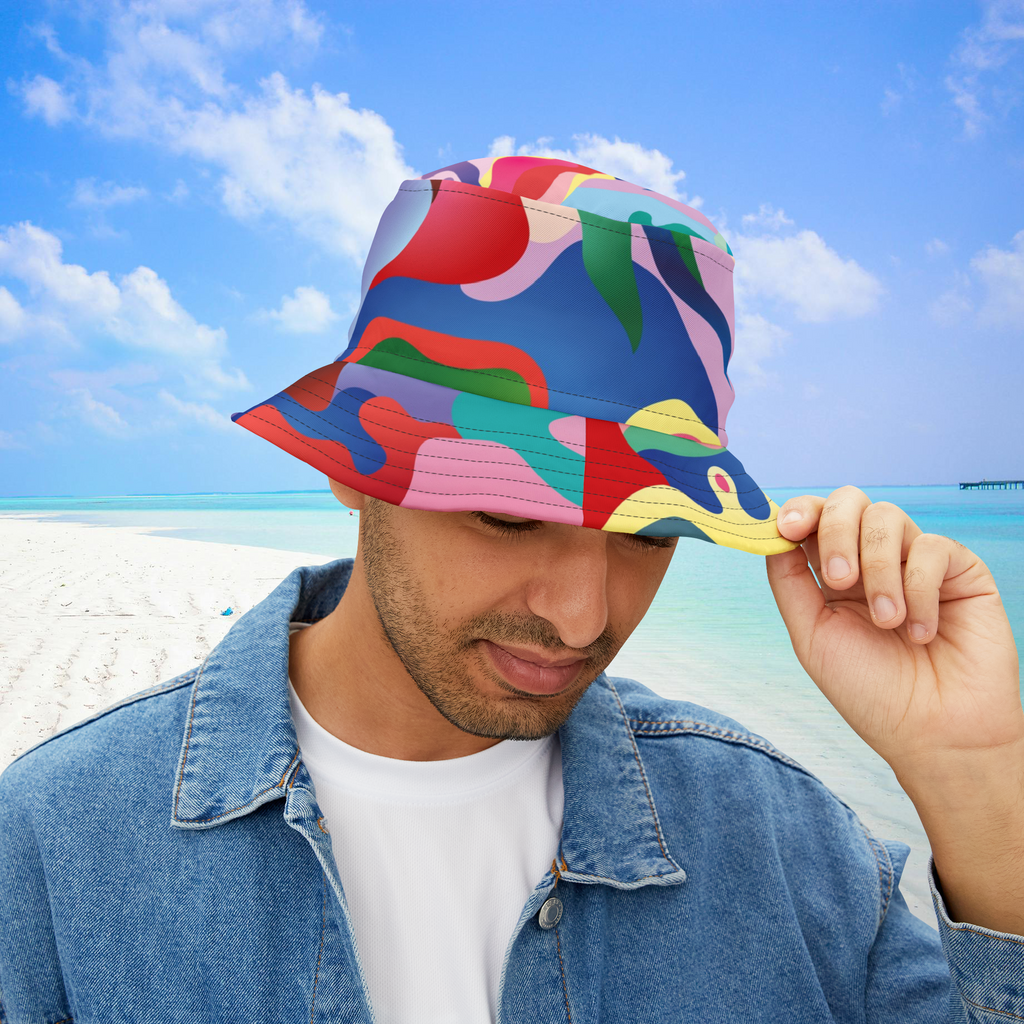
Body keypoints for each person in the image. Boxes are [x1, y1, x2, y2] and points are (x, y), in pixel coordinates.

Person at [1, 155, 1021, 1023]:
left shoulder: (790, 851)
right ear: (355, 468)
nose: (583, 617)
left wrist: (976, 786)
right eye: (505, 512)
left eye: (649, 532)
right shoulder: (56, 850)